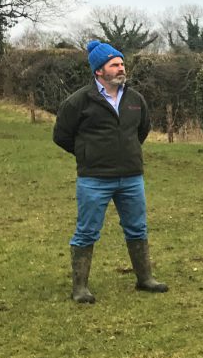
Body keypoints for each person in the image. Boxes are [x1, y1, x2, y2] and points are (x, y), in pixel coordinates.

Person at [52, 40, 168, 304]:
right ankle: (80, 288)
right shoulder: (79, 101)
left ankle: (145, 279)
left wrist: (125, 152)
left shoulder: (135, 99)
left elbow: (142, 130)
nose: (120, 68)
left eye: (121, 63)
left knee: (137, 228)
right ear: (98, 71)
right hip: (94, 179)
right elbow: (61, 136)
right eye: (114, 65)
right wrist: (88, 154)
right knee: (87, 231)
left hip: (131, 178)